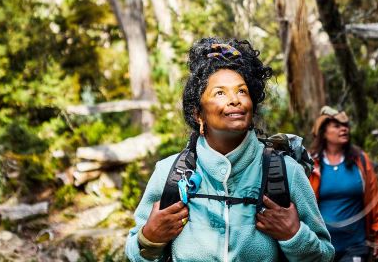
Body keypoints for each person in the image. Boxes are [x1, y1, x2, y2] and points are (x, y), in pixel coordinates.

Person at [126, 38, 334, 262]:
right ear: (198, 114)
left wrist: (294, 236)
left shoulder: (286, 172)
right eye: (220, 93)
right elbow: (133, 252)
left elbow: (325, 255)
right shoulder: (168, 173)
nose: (235, 100)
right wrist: (149, 238)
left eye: (242, 91)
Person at [309, 106, 378, 262]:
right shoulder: (312, 164)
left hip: (355, 245)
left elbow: (375, 201)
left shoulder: (360, 160)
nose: (344, 129)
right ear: (324, 132)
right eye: (337, 126)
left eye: (345, 126)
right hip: (321, 247)